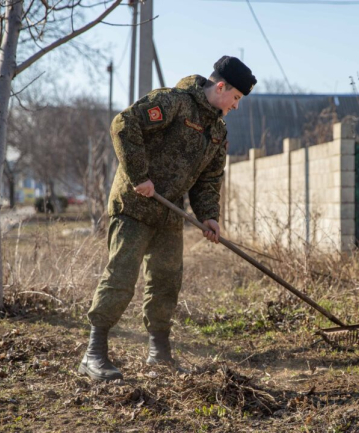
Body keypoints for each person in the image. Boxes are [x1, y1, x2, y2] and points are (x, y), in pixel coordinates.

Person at [78, 56, 257, 381]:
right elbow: (123, 124)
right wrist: (139, 176)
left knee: (166, 282)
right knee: (121, 277)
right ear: (221, 87)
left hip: (169, 212)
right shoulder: (174, 102)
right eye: (236, 97)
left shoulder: (217, 131)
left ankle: (159, 354)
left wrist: (209, 217)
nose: (236, 105)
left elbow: (209, 179)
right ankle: (94, 354)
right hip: (134, 205)